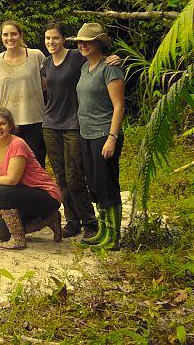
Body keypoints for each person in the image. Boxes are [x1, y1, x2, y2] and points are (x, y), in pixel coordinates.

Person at [0, 107, 62, 250]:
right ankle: (49, 219)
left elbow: (12, 179)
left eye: (2, 124)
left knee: (0, 191)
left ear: (10, 126)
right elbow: (3, 177)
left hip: (46, 194)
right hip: (23, 194)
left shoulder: (17, 144)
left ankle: (19, 239)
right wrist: (4, 206)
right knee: (3, 234)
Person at [69, 23, 125, 251]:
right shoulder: (85, 68)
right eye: (80, 42)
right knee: (95, 184)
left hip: (104, 133)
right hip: (87, 133)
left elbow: (119, 106)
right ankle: (103, 230)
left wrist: (112, 136)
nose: (82, 45)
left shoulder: (110, 68)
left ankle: (113, 235)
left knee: (108, 184)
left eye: (87, 41)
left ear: (98, 43)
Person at [41, 21, 100, 239]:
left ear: (63, 39)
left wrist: (114, 60)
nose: (51, 42)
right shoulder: (46, 63)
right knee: (61, 176)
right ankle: (72, 221)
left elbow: (96, 59)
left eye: (55, 38)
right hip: (50, 124)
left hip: (73, 124)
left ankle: (89, 222)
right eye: (48, 38)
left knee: (75, 175)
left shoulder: (75, 57)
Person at [0, 20, 47, 167]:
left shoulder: (36, 56)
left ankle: (38, 191)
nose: (10, 38)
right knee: (12, 164)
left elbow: (46, 84)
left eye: (13, 34)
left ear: (21, 35)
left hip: (34, 119)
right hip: (9, 123)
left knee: (36, 163)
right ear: (1, 37)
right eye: (5, 35)